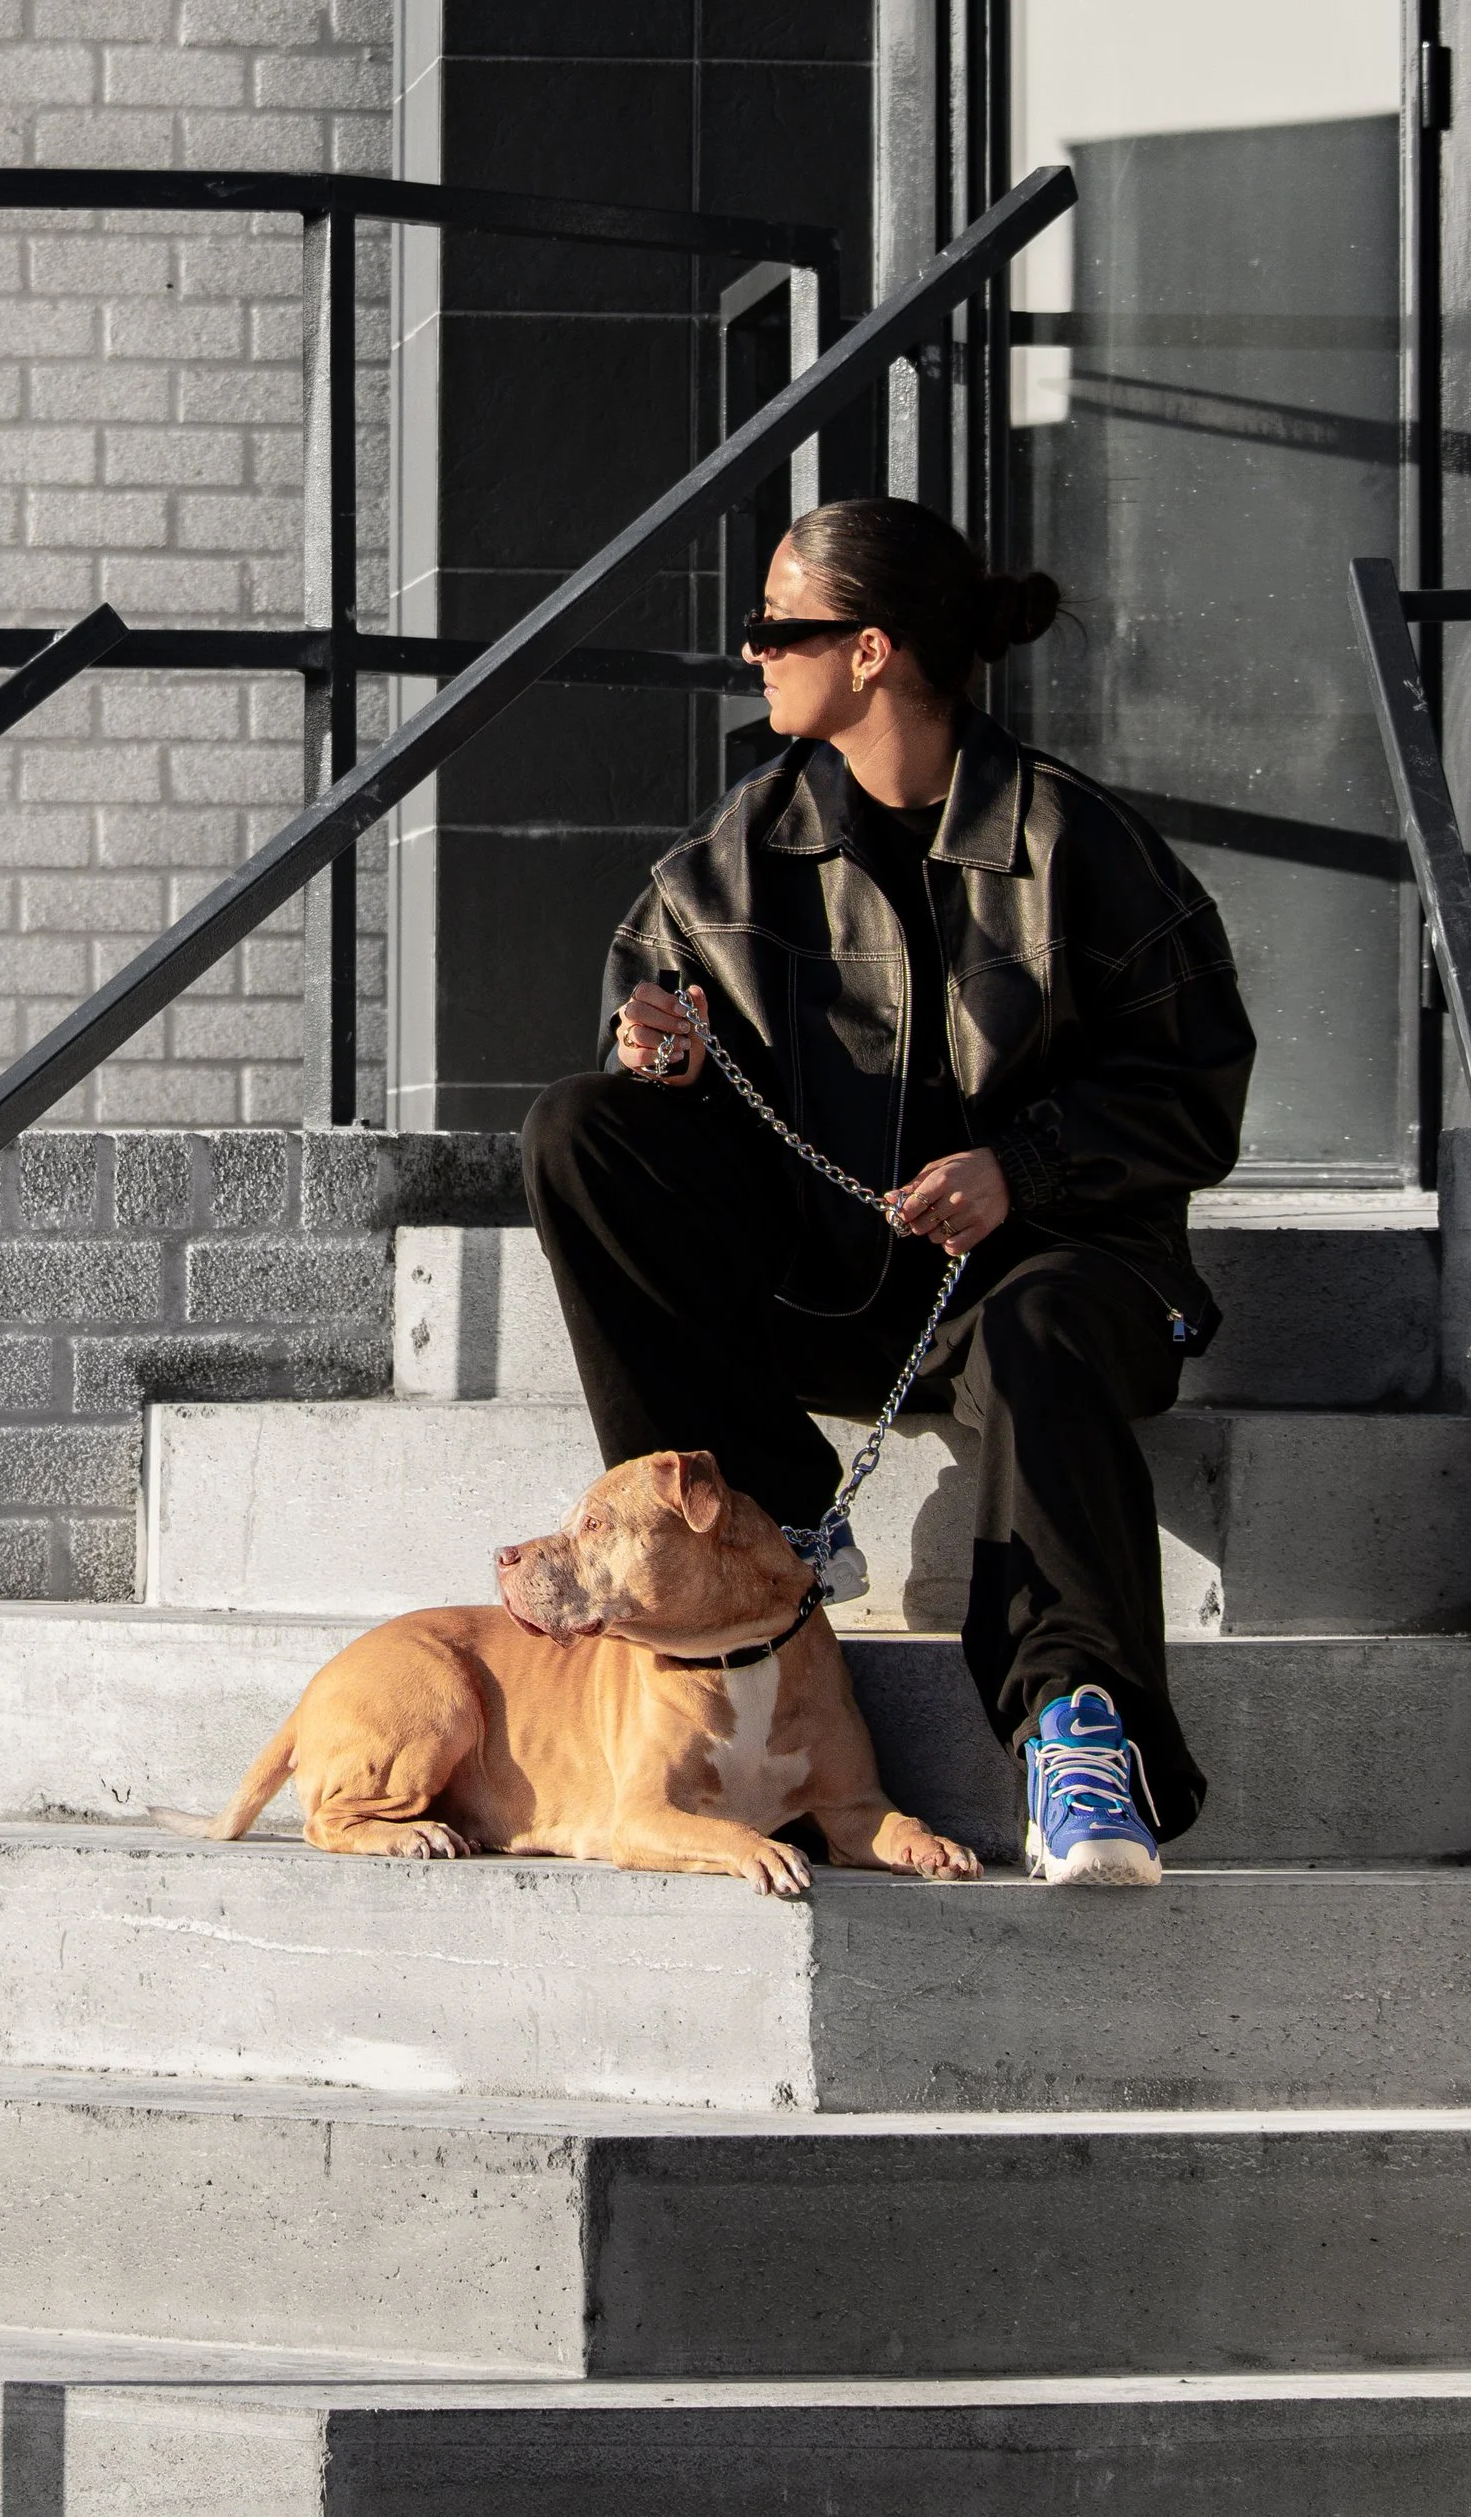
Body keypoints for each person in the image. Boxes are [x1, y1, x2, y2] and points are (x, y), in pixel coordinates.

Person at [520, 496, 1255, 1889]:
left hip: (1067, 1280)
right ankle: (777, 1517)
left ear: (868, 651)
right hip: (840, 1287)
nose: (749, 653)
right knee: (578, 1130)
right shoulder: (745, 847)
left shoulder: (1079, 845)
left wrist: (1023, 1167)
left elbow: (1199, 1082)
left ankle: (1076, 1732)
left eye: (775, 628)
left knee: (1039, 1333)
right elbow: (643, 991)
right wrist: (650, 1043)